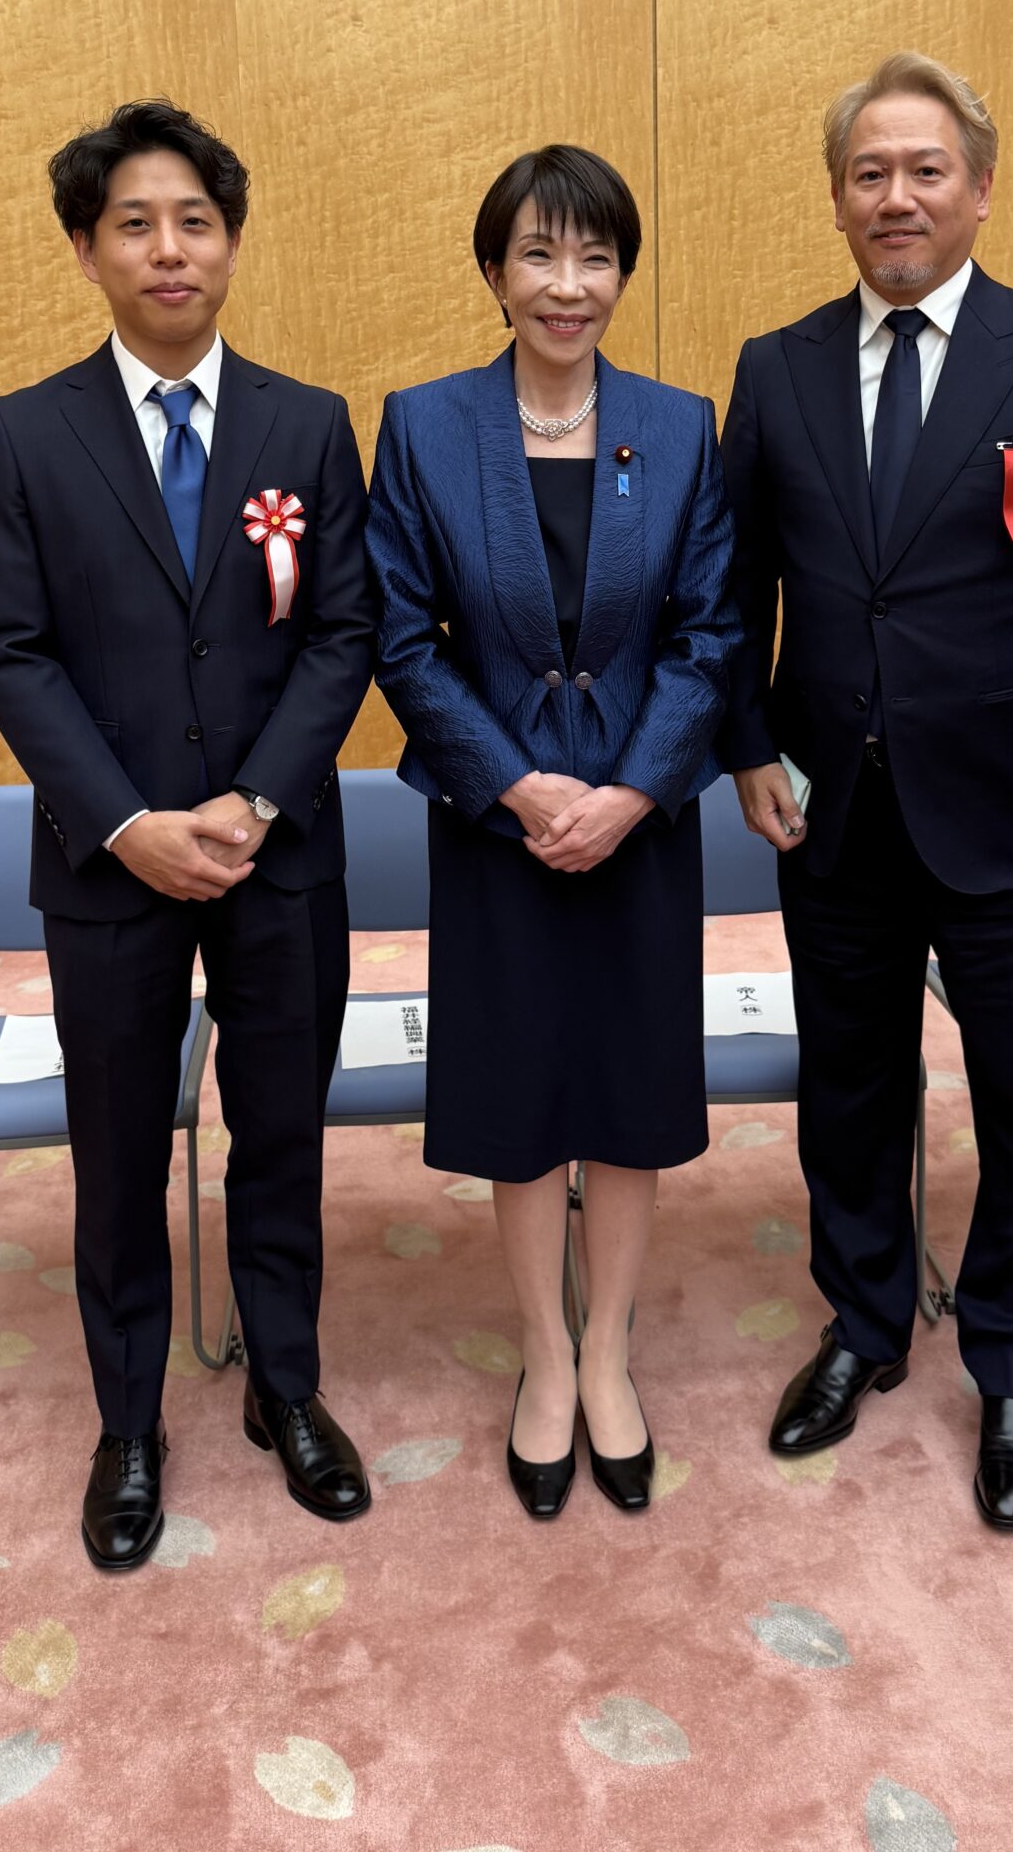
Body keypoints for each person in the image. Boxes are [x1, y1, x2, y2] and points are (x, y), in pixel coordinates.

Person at [719, 52, 1013, 1531]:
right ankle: (863, 1322)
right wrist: (745, 747)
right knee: (849, 1089)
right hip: (831, 809)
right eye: (870, 173)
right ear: (838, 198)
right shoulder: (776, 369)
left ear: (979, 189)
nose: (896, 196)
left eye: (925, 170)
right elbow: (736, 590)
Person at [0, 99, 375, 1572]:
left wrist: (254, 802)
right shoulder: (23, 435)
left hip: (279, 853)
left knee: (282, 1135)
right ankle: (128, 1421)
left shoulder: (306, 424)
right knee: (120, 1152)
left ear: (233, 242)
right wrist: (128, 823)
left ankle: (286, 1387)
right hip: (111, 867)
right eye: (134, 224)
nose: (169, 248)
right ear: (87, 252)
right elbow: (11, 652)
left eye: (195, 221)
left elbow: (343, 631)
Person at [367, 146, 737, 1519]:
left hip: (641, 817)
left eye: (594, 256)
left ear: (622, 273)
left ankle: (610, 1353)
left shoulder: (680, 425)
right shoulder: (423, 426)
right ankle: (543, 1354)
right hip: (497, 823)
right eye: (537, 253)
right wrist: (517, 788)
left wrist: (633, 791)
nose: (566, 284)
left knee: (629, 1092)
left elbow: (711, 633)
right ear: (494, 270)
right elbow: (401, 638)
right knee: (521, 1096)